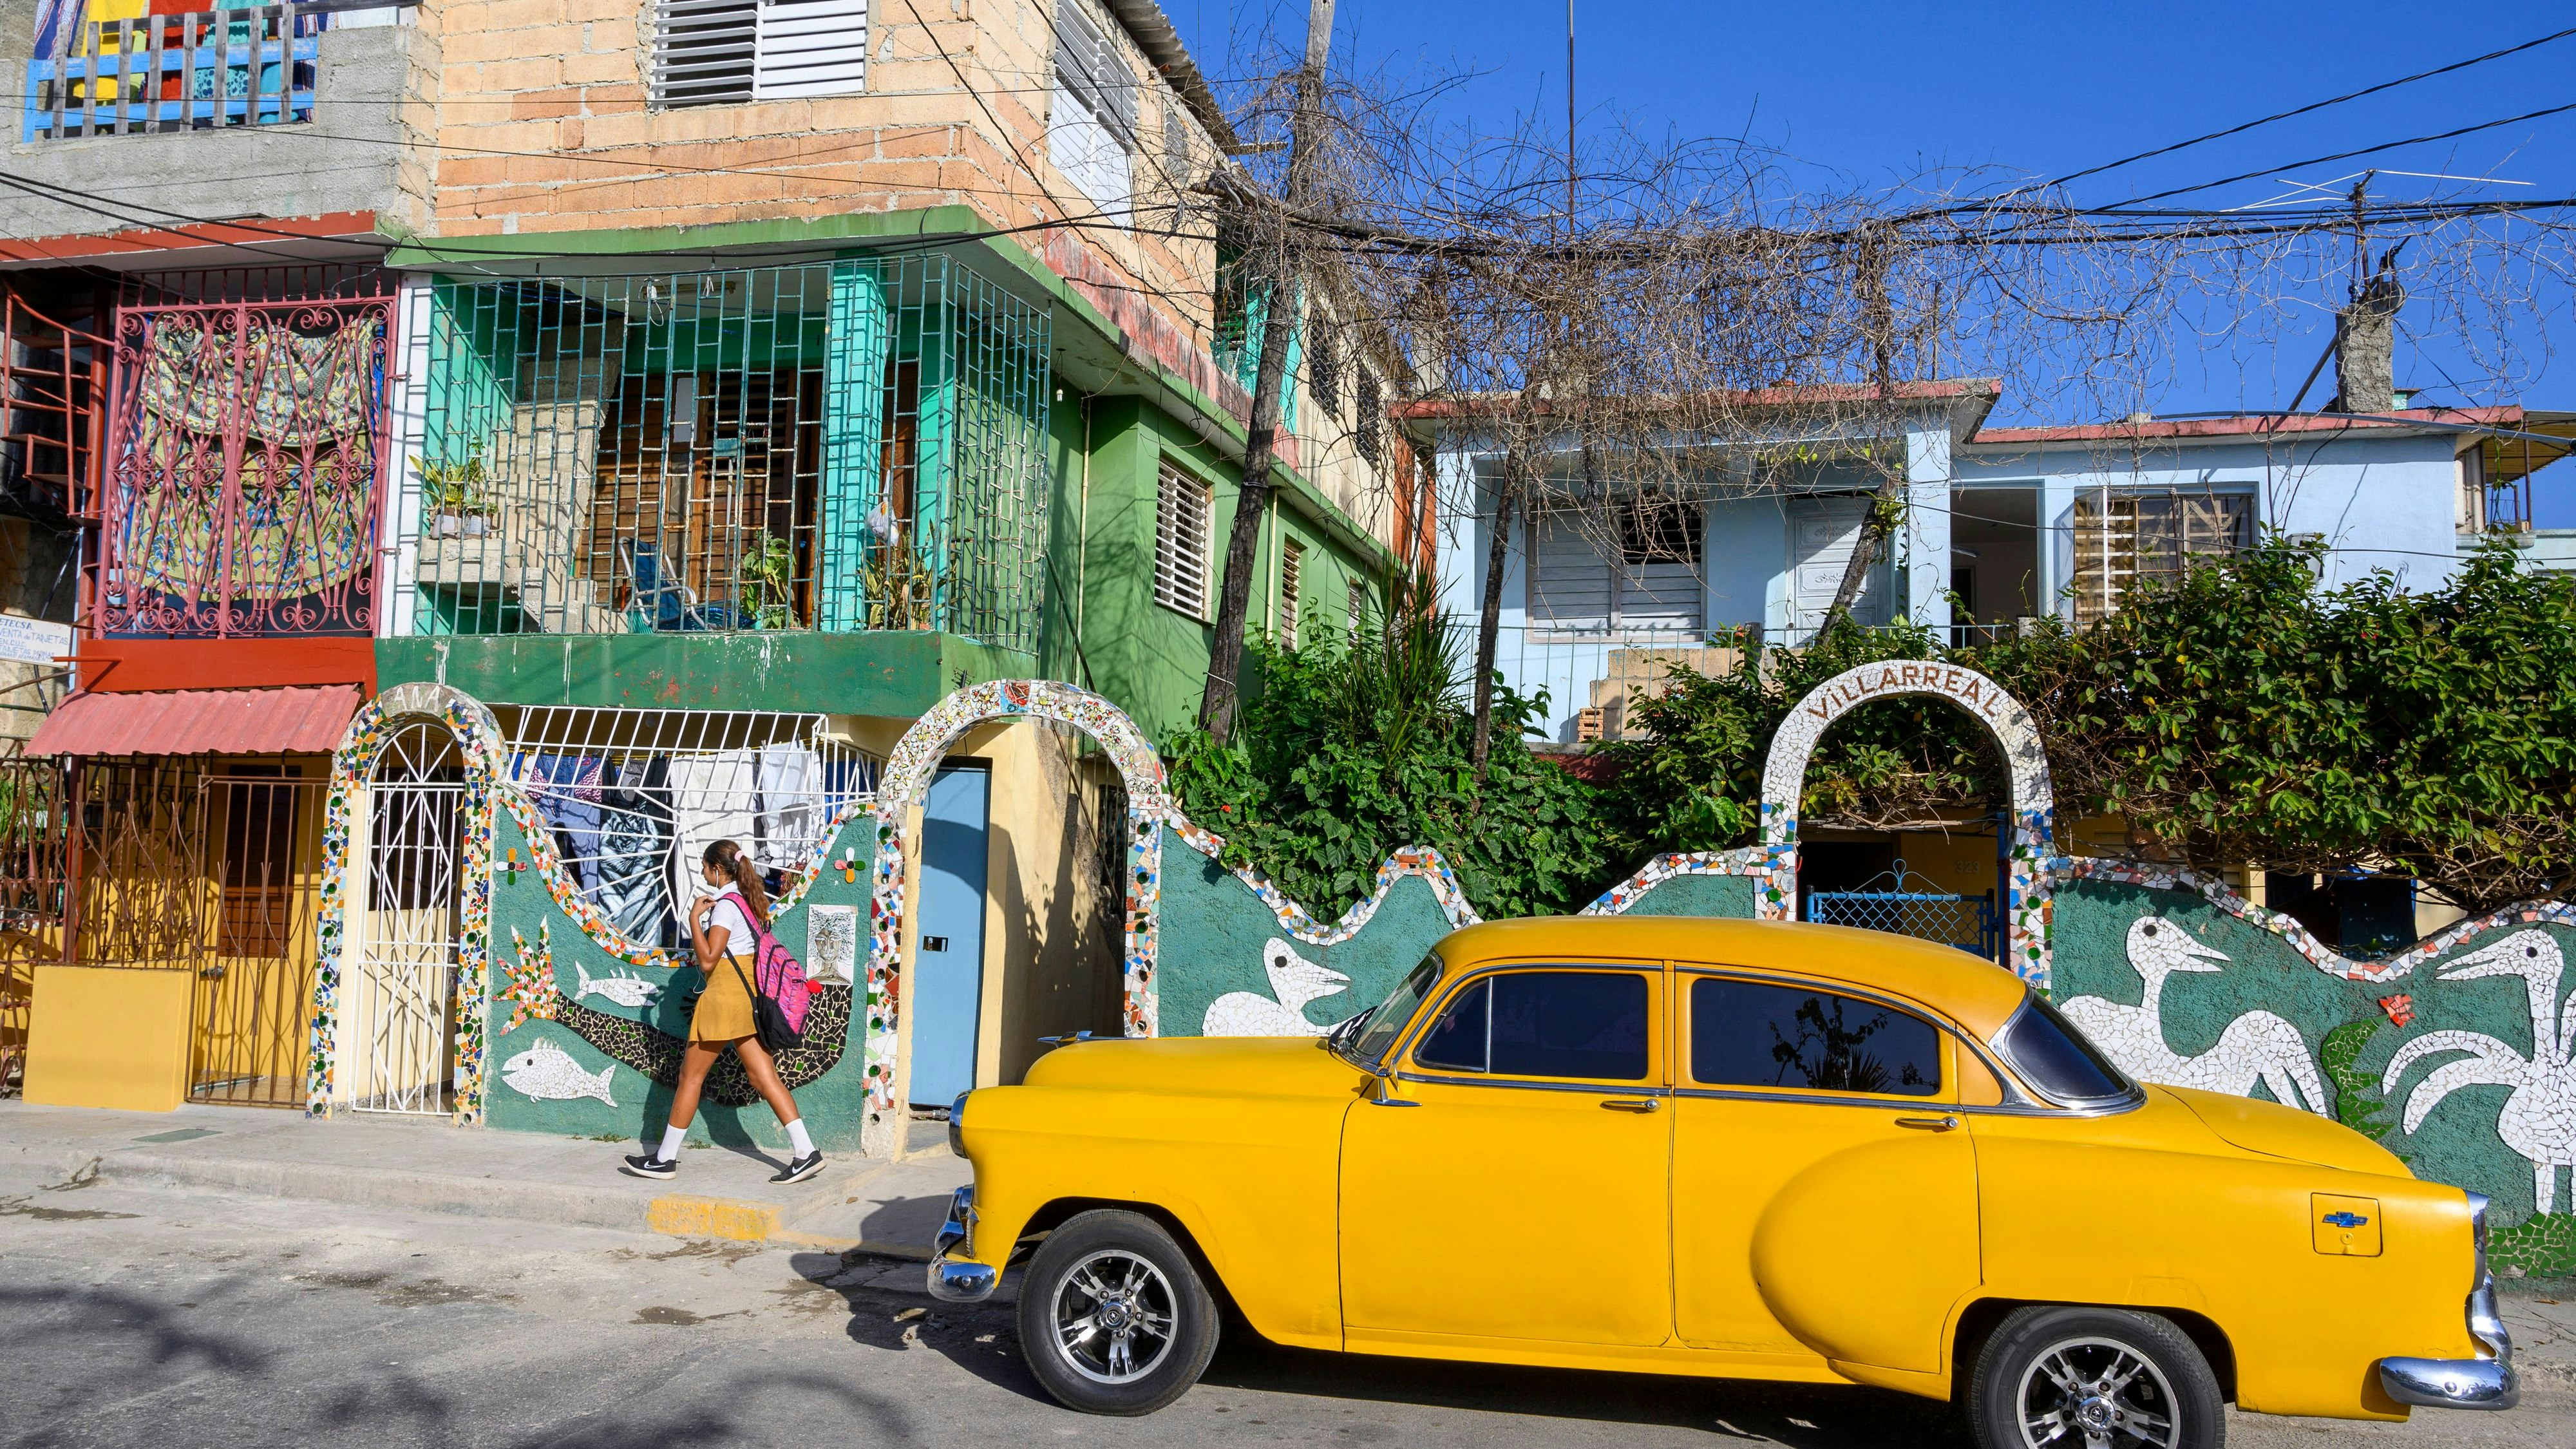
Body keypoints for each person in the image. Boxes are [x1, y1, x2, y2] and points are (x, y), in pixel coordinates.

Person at [621, 840, 824, 1184]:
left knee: (691, 1077)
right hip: (745, 998)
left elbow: (708, 960)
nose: (703, 873)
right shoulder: (748, 901)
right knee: (764, 1078)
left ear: (718, 869)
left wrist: (693, 919)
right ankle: (806, 1152)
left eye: (704, 867)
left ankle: (665, 1159)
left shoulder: (726, 907)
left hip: (723, 998)